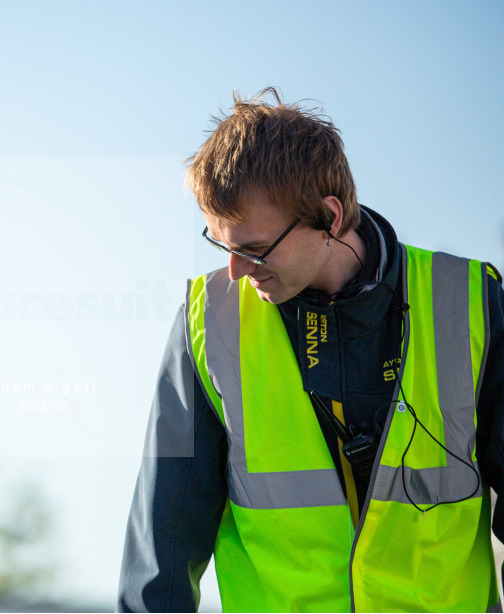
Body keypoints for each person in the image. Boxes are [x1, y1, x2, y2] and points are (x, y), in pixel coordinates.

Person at [116, 87, 504, 612]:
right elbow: (162, 547)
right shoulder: (209, 321)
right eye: (221, 244)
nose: (234, 271)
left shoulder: (472, 304)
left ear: (330, 216)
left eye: (253, 248)